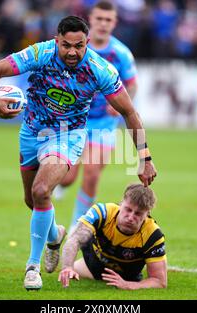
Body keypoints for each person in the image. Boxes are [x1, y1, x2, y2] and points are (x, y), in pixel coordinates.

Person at [0, 16, 157, 290]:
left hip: (68, 135)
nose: (73, 52)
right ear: (57, 41)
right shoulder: (40, 53)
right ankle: (55, 235)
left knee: (42, 191)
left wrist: (145, 158)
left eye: (79, 46)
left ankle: (32, 267)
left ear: (87, 43)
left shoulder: (101, 69)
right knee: (32, 201)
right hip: (32, 132)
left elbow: (129, 112)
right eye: (66, 46)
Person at [53, 1, 138, 232]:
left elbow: (132, 85)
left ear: (114, 23)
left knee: (91, 174)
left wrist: (119, 105)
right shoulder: (75, 48)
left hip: (103, 124)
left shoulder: (120, 53)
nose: (103, 24)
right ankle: (63, 185)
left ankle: (76, 225)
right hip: (72, 121)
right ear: (90, 19)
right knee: (68, 177)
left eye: (108, 20)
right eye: (99, 19)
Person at [58, 183, 167, 290]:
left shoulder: (152, 234)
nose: (130, 217)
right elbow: (75, 239)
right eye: (128, 209)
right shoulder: (102, 213)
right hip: (91, 266)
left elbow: (159, 281)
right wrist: (67, 267)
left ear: (147, 214)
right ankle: (55, 237)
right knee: (83, 235)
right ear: (121, 204)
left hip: (128, 276)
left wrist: (129, 285)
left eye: (138, 214)